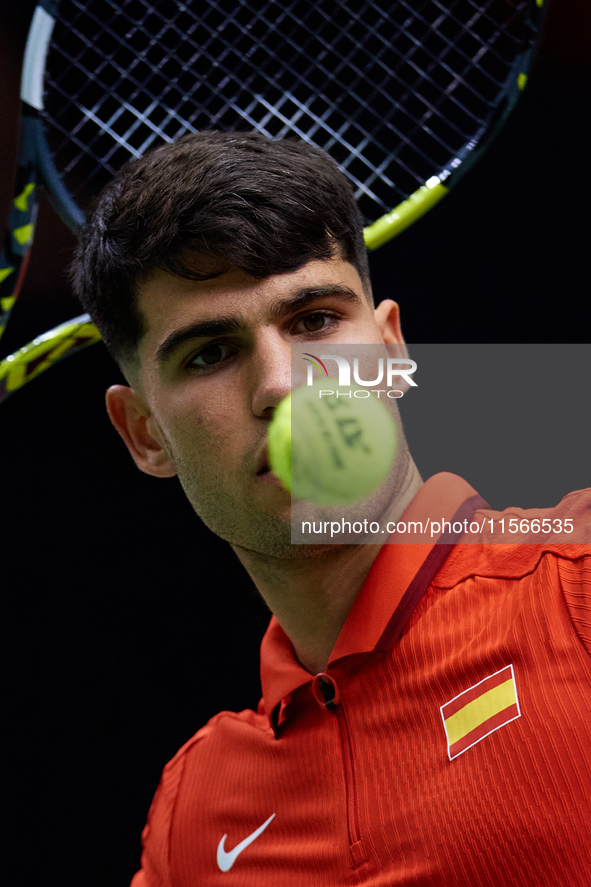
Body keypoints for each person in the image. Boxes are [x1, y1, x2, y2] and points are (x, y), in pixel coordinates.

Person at [71, 131, 591, 885]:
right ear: (145, 434)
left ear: (391, 352)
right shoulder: (196, 816)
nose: (282, 384)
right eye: (210, 353)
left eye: (314, 320)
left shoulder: (574, 585)